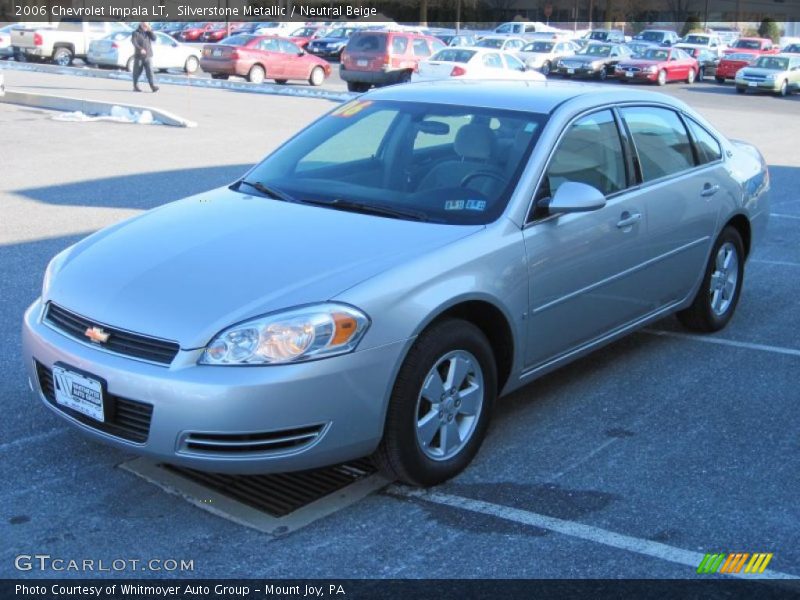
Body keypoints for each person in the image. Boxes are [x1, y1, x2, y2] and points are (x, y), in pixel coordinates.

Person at [131, 22, 159, 93]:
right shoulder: (135, 33)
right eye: (144, 25)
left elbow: (154, 38)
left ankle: (152, 86)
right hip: (139, 56)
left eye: (147, 25)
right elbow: (134, 42)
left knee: (150, 72)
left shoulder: (148, 33)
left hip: (148, 56)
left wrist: (150, 30)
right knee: (137, 72)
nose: (145, 27)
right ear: (140, 24)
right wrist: (140, 49)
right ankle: (135, 86)